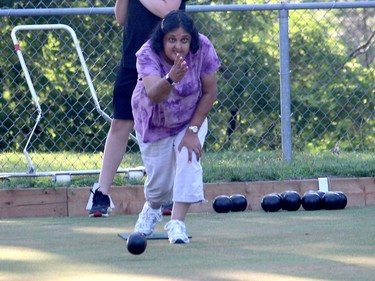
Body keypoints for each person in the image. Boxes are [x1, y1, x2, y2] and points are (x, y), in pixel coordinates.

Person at [89, 0, 187, 217]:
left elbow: (168, 11)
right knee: (120, 123)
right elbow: (120, 17)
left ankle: (167, 195)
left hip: (165, 63)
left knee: (170, 125)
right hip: (132, 60)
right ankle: (101, 193)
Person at [131, 10, 220, 244]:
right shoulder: (147, 54)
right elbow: (154, 94)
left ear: (192, 40)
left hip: (189, 118)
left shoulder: (203, 48)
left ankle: (177, 223)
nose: (178, 46)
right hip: (154, 120)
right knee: (159, 187)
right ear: (162, 40)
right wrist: (172, 78)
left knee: (188, 157)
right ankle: (152, 209)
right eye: (172, 39)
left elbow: (210, 91)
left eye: (184, 40)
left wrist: (193, 131)